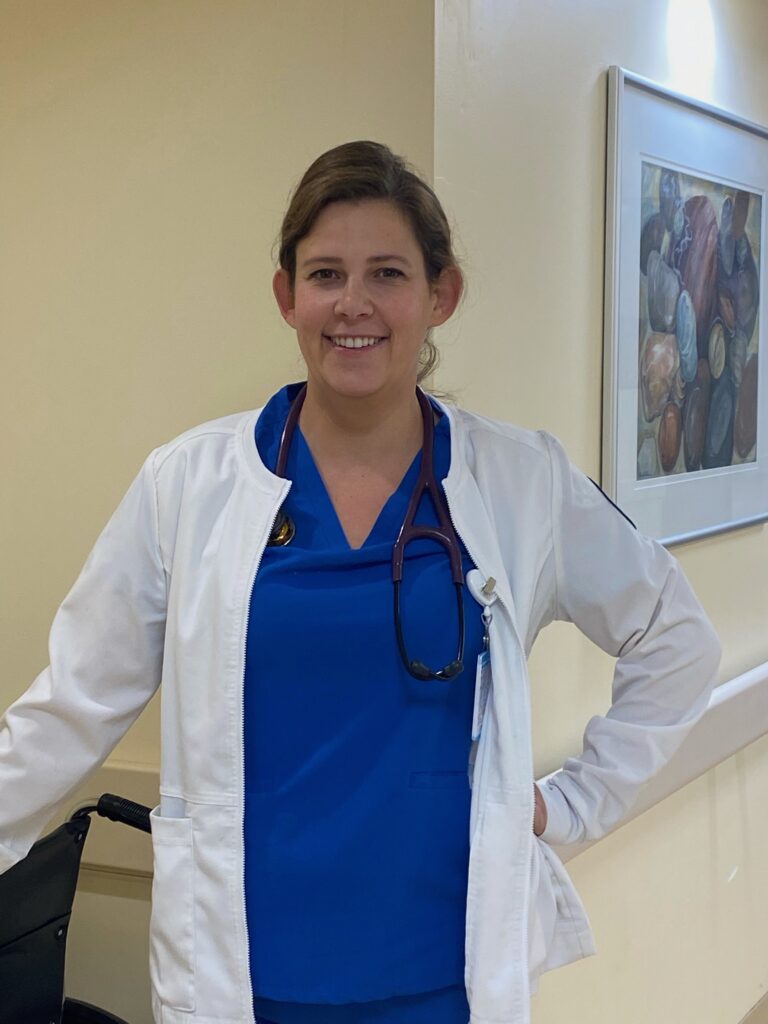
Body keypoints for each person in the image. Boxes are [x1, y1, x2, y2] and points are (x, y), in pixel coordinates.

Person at [0, 141, 720, 1024]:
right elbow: (72, 705)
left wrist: (572, 804)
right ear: (286, 297)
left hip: (440, 973)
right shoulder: (188, 486)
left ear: (438, 296)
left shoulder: (519, 480)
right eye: (326, 273)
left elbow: (676, 635)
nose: (354, 304)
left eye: (387, 273)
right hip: (244, 971)